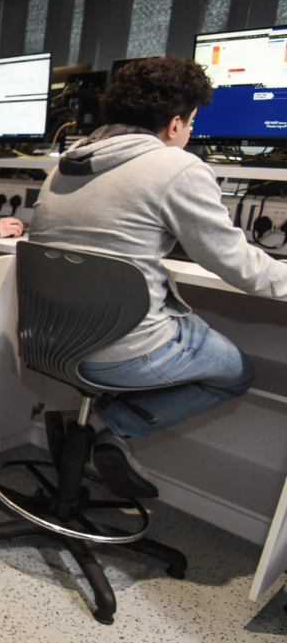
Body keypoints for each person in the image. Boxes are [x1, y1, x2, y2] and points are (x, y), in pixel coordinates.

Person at [29, 56, 287, 498]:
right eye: (190, 123)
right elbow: (241, 267)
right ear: (174, 124)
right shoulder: (175, 168)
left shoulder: (64, 166)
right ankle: (111, 426)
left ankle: (96, 428)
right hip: (120, 352)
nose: (189, 134)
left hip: (49, 342)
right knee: (237, 372)